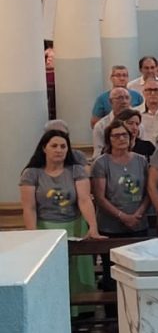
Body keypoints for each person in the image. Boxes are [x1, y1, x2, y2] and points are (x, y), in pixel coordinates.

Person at [20, 129, 103, 315]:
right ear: (44, 148)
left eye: (63, 146)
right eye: (54, 146)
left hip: (73, 226)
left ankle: (80, 313)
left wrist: (93, 227)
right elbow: (29, 208)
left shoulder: (76, 170)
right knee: (52, 274)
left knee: (76, 273)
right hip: (45, 227)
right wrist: (33, 235)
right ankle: (53, 311)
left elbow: (84, 200)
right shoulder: (31, 173)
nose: (59, 150)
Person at [91, 120, 150, 239]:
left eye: (125, 135)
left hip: (138, 224)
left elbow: (149, 192)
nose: (121, 138)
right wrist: (122, 216)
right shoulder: (101, 163)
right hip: (110, 227)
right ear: (109, 139)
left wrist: (138, 214)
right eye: (116, 136)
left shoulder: (141, 161)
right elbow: (100, 198)